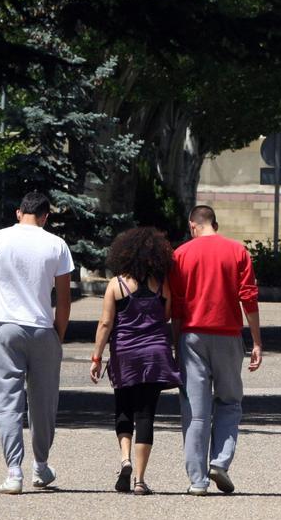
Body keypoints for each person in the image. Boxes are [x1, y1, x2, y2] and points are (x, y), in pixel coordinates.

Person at [0, 191, 74, 495]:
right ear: (45, 216)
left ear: (19, 212)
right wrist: (60, 334)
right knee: (43, 403)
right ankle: (41, 466)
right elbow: (64, 299)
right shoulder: (57, 244)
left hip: (5, 327)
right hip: (42, 329)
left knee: (7, 401)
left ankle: (13, 471)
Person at [170, 205, 262, 496]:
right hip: (228, 336)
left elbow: (176, 304)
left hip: (192, 336)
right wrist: (257, 341)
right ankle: (220, 462)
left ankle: (197, 481)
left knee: (195, 412)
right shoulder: (237, 252)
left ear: (192, 225)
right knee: (230, 402)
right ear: (215, 224)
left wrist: (175, 343)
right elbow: (248, 298)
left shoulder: (181, 254)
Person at [89, 227, 183, 496]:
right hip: (155, 356)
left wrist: (97, 357)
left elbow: (106, 323)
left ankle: (125, 459)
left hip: (125, 355)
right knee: (146, 415)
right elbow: (165, 315)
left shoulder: (116, 284)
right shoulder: (161, 283)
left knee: (123, 409)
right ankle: (140, 480)